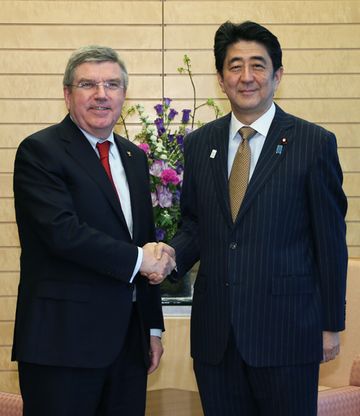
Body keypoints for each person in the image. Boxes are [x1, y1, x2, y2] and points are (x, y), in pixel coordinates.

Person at [148, 21, 348, 415]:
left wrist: (330, 325)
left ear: (277, 75)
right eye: (234, 66)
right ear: (221, 79)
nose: (246, 76)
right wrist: (170, 254)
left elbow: (329, 241)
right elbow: (196, 225)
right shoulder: (200, 143)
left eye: (258, 65)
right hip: (217, 336)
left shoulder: (313, 143)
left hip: (287, 334)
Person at [12, 45, 175, 416]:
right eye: (88, 84)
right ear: (67, 94)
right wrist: (141, 259)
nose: (101, 95)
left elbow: (144, 239)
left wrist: (152, 328)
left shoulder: (134, 158)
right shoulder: (40, 152)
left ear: (123, 95)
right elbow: (62, 232)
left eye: (112, 85)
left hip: (128, 348)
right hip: (62, 345)